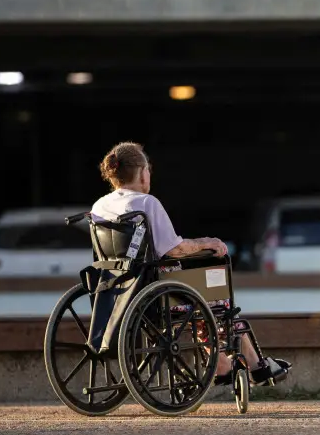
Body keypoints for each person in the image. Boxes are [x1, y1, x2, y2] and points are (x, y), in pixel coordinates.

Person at [91, 141, 289, 387]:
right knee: (219, 300)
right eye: (149, 170)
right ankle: (255, 365)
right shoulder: (146, 203)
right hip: (154, 288)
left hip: (120, 289)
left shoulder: (100, 205)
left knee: (200, 303)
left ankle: (225, 365)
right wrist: (208, 242)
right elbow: (175, 249)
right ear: (142, 172)